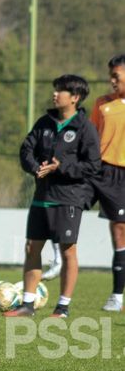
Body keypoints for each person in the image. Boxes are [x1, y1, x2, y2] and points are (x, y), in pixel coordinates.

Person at [4, 75, 100, 318]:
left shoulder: (85, 128)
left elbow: (92, 166)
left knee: (68, 250)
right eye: (55, 90)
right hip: (41, 196)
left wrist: (62, 167)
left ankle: (63, 307)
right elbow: (26, 150)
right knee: (32, 247)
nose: (55, 94)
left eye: (60, 91)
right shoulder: (44, 123)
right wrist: (35, 167)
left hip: (69, 198)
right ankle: (27, 304)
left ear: (75, 98)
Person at [91, 54, 125, 312]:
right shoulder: (102, 104)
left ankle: (117, 294)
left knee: (120, 231)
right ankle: (117, 295)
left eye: (116, 75)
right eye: (111, 76)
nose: (112, 80)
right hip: (105, 172)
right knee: (118, 231)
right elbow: (90, 139)